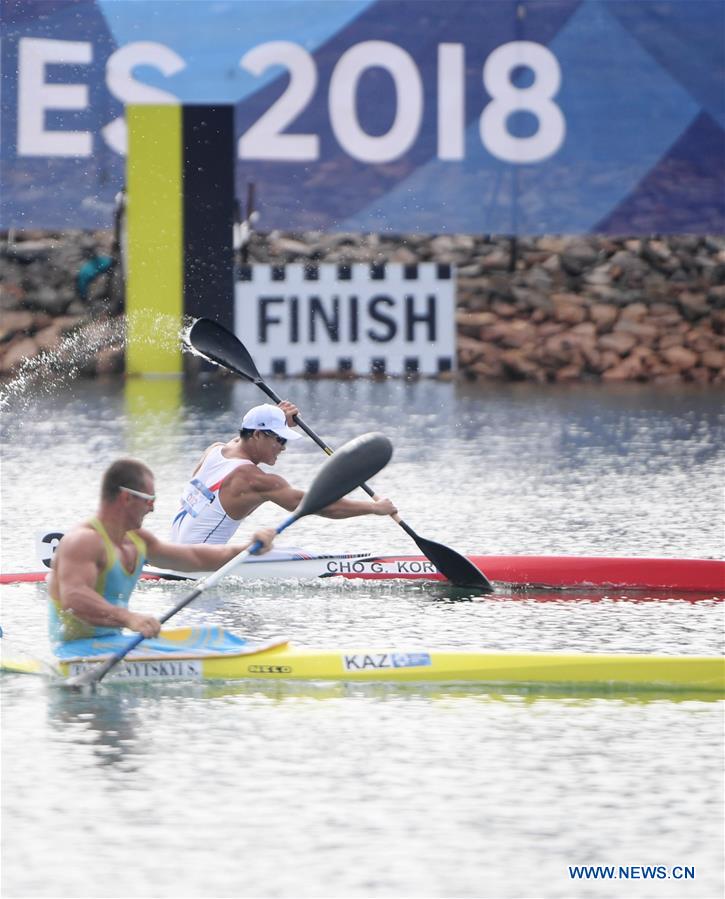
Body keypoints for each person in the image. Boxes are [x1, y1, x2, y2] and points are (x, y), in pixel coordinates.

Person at [48, 457, 276, 646]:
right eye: (149, 500)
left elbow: (194, 558)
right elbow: (74, 598)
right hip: (73, 650)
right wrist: (130, 618)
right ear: (126, 498)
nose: (153, 508)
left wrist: (245, 549)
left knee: (218, 639)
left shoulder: (138, 540)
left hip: (112, 643)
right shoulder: (83, 541)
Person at [170, 402, 396, 545]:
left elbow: (241, 438)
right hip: (200, 567)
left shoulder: (215, 450)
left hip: (178, 557)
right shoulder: (254, 480)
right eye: (280, 438)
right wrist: (374, 508)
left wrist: (278, 419)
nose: (283, 446)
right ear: (258, 435)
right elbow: (319, 504)